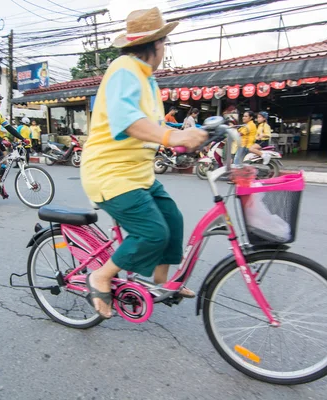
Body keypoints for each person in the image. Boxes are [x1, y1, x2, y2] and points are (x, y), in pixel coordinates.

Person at [80, 7, 207, 319]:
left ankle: (162, 282)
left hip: (138, 174)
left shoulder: (146, 79)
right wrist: (172, 139)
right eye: (165, 44)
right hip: (111, 175)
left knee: (172, 219)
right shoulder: (125, 69)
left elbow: (151, 124)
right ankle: (101, 276)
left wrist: (185, 133)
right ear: (158, 44)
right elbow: (127, 121)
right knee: (152, 232)